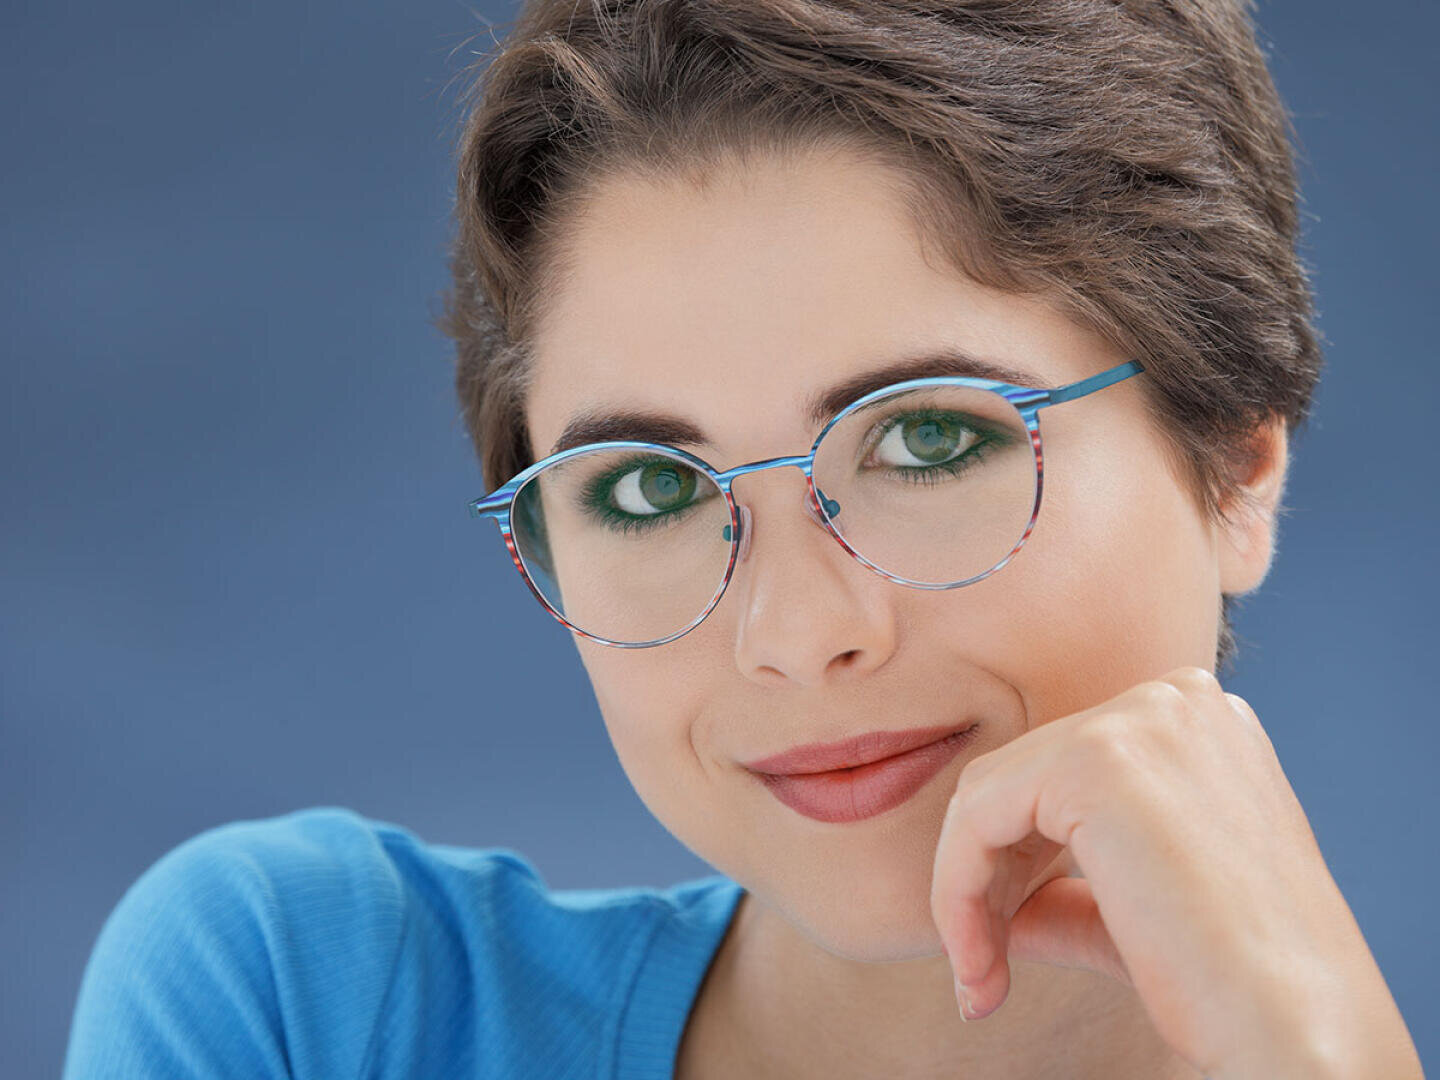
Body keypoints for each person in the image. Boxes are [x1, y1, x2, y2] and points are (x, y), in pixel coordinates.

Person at [63, 2, 1424, 1078]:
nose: (796, 633)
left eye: (927, 441)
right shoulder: (316, 1009)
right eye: (648, 489)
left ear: (1238, 463)